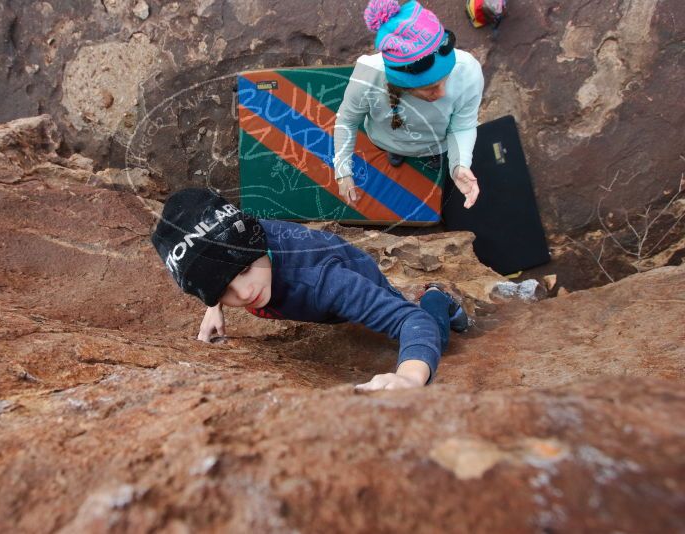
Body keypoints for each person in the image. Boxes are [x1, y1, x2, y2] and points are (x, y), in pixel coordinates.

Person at [151, 188, 469, 391]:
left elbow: (410, 323)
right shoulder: (239, 240)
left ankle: (435, 297)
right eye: (223, 290)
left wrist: (410, 377)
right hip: (303, 266)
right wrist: (213, 305)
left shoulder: (322, 281)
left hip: (350, 271)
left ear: (258, 245)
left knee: (434, 339)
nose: (245, 293)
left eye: (246, 269)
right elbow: (213, 261)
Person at [334, 0, 484, 210]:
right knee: (395, 151)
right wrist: (343, 171)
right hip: (386, 139)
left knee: (437, 155)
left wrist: (459, 164)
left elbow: (462, 125)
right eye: (430, 87)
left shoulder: (468, 71)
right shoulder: (367, 77)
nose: (442, 93)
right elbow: (347, 121)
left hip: (435, 143)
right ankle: (396, 152)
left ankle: (431, 156)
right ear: (401, 84)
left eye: (445, 79)